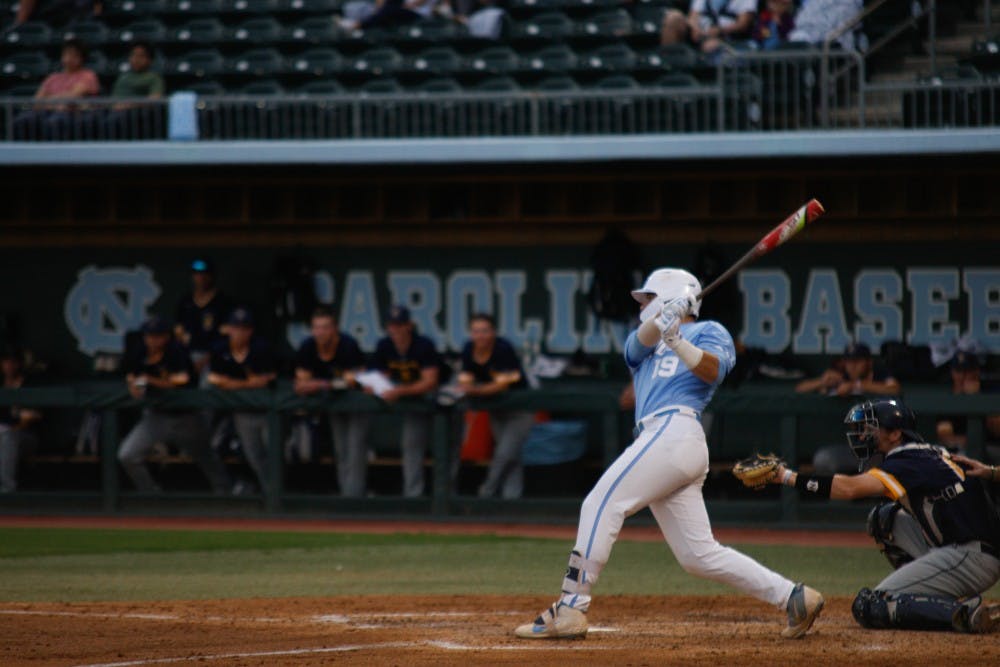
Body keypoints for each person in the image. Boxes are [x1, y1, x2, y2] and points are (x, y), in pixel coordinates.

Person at [515, 268, 823, 640]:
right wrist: (666, 316)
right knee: (698, 555)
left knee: (600, 503)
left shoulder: (711, 331)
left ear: (669, 295)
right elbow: (638, 343)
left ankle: (571, 605)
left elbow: (712, 371)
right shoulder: (642, 342)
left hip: (676, 430)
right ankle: (794, 597)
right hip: (660, 439)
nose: (642, 305)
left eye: (648, 298)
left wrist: (677, 335)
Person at [766, 399, 1000, 633]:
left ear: (895, 433)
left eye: (872, 428)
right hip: (959, 545)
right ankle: (922, 591)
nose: (864, 435)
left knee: (871, 605)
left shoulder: (907, 461)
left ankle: (964, 613)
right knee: (883, 519)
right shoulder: (923, 453)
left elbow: (849, 489)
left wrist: (786, 477)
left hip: (971, 557)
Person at [117, 316, 232, 494]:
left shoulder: (177, 351)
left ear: (166, 336)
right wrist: (134, 384)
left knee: (206, 457)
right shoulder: (138, 352)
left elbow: (181, 380)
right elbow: (131, 375)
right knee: (127, 455)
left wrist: (150, 380)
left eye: (157, 335)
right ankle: (150, 494)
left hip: (186, 418)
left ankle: (225, 492)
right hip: (156, 417)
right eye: (149, 335)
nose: (152, 340)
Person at [294, 305, 370, 498]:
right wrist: (328, 384)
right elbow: (301, 383)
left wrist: (319, 384)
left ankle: (354, 499)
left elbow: (352, 380)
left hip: (356, 404)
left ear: (335, 328)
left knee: (355, 452)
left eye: (325, 327)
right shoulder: (308, 346)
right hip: (334, 405)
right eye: (316, 327)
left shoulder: (348, 345)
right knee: (341, 451)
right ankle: (347, 496)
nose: (320, 332)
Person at [457, 313, 533, 499]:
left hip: (520, 410)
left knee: (504, 454)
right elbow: (465, 379)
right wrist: (471, 387)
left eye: (485, 331)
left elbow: (501, 385)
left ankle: (486, 491)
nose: (480, 336)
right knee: (511, 458)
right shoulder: (468, 349)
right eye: (476, 331)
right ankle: (511, 500)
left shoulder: (503, 348)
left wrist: (475, 390)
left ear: (493, 332)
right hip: (496, 411)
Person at [797, 342, 902, 475]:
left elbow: (895, 389)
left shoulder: (879, 374)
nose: (852, 366)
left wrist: (856, 385)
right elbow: (800, 389)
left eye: (857, 361)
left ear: (868, 362)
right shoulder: (841, 377)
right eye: (848, 361)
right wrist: (822, 382)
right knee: (823, 459)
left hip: (882, 452)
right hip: (853, 450)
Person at [370, 305, 441, 498]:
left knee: (444, 450)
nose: (395, 329)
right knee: (411, 447)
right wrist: (379, 388)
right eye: (392, 325)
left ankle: (446, 496)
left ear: (409, 325)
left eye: (400, 325)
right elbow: (377, 379)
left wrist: (398, 391)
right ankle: (413, 497)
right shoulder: (384, 345)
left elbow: (430, 381)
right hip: (413, 403)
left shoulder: (423, 344)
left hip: (440, 403)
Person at [207, 308, 277, 496]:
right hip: (240, 412)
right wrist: (246, 383)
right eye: (236, 328)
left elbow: (266, 379)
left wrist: (232, 384)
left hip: (267, 412)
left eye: (244, 328)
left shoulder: (261, 348)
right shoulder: (220, 349)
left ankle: (276, 494)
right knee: (254, 456)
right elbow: (214, 379)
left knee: (275, 454)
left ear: (251, 330)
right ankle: (269, 493)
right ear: (228, 329)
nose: (240, 332)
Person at [12, 39, 100, 141]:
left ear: (81, 58)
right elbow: (37, 100)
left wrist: (50, 100)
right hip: (47, 112)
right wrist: (55, 102)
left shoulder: (88, 76)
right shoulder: (53, 77)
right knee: (23, 120)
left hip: (72, 115)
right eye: (66, 54)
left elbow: (72, 96)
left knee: (55, 121)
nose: (69, 58)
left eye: (74, 55)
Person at [174, 258, 233, 382]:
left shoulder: (222, 302)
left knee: (208, 386)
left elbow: (227, 336)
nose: (200, 278)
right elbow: (178, 331)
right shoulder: (186, 302)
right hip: (187, 355)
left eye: (204, 274)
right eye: (196, 274)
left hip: (214, 357)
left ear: (211, 276)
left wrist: (207, 358)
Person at [104, 42, 165, 139]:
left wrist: (128, 105)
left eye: (141, 56)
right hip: (113, 112)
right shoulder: (122, 77)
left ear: (149, 60)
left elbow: (155, 99)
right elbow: (113, 99)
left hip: (134, 115)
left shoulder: (154, 78)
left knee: (114, 120)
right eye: (133, 55)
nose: (136, 59)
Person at [0, 348, 41, 493]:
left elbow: (31, 417)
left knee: (7, 437)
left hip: (25, 437)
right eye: (6, 362)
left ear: (20, 364)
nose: (9, 366)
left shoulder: (30, 383)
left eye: (13, 362)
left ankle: (6, 489)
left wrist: (14, 428)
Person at [660, 0, 757, 54]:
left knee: (712, 46)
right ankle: (668, 63)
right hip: (702, 35)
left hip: (729, 40)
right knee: (673, 18)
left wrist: (720, 31)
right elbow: (693, 17)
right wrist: (696, 29)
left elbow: (743, 24)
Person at [787, 0, 862, 51]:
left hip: (835, 43)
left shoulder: (848, 3)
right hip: (808, 38)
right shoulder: (813, 3)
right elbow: (802, 20)